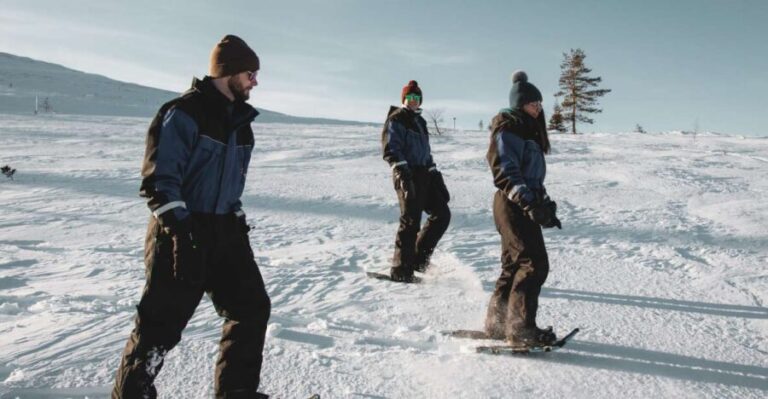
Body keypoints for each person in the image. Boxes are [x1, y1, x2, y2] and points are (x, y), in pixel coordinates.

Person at [112, 35, 271, 399]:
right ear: (227, 72)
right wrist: (182, 229)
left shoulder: (242, 123)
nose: (255, 82)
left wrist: (235, 215)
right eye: (250, 74)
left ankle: (237, 392)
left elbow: (230, 184)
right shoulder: (182, 113)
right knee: (159, 326)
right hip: (181, 230)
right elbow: (158, 182)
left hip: (225, 231)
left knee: (250, 307)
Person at [484, 71, 562, 346]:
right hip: (511, 203)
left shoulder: (527, 132)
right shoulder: (509, 128)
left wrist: (544, 203)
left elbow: (531, 177)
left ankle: (497, 324)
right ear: (519, 104)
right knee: (534, 263)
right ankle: (520, 328)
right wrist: (528, 201)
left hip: (518, 204)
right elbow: (505, 171)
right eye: (532, 103)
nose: (537, 107)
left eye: (539, 103)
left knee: (513, 265)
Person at [381, 80, 451, 283]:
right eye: (410, 98)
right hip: (406, 174)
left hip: (424, 175)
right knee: (411, 220)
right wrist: (402, 173)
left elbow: (426, 153)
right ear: (404, 99)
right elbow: (391, 149)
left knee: (442, 214)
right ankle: (401, 269)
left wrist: (435, 175)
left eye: (416, 98)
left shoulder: (421, 122)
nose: (413, 101)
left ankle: (419, 260)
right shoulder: (397, 118)